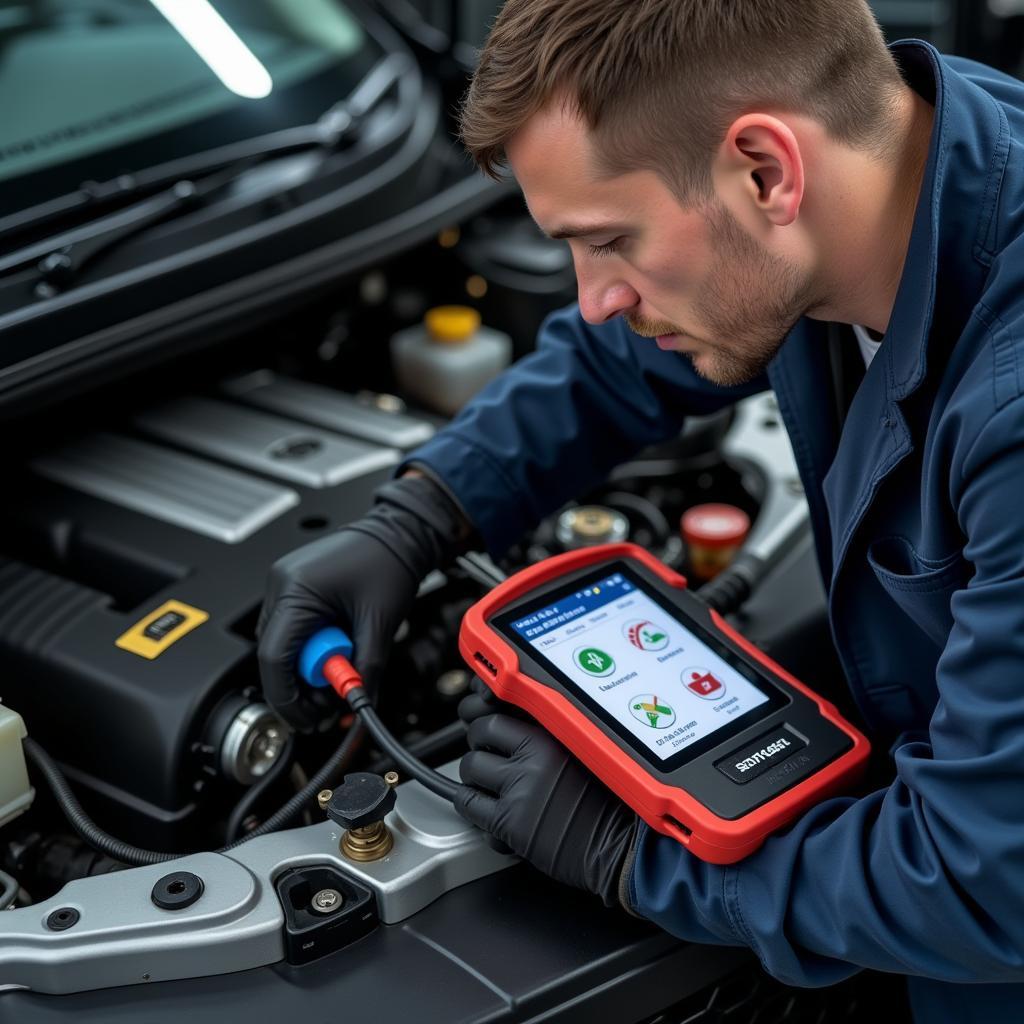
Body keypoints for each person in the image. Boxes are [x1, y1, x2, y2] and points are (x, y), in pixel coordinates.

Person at [256, 2, 1024, 1020]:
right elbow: (611, 360)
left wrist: (636, 857)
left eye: (609, 239)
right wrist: (423, 510)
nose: (595, 296)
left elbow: (988, 882)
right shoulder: (877, 173)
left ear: (765, 170)